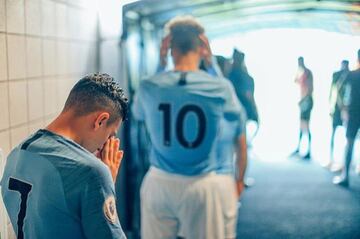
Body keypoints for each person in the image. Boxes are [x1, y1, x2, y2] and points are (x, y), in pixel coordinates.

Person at [132, 16, 242, 239]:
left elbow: (137, 114)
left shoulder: (149, 86)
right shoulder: (219, 87)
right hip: (201, 183)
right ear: (202, 48)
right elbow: (234, 114)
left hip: (160, 180)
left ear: (168, 48)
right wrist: (212, 67)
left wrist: (160, 65)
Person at [1, 73, 128, 239]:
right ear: (100, 121)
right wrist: (106, 182)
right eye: (110, 135)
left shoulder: (16, 155)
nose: (105, 145)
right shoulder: (93, 172)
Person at [333, 50, 360, 187]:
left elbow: (339, 88)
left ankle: (345, 176)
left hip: (353, 113)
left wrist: (343, 106)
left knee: (349, 144)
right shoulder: (352, 74)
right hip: (353, 112)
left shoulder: (352, 74)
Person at [326, 60, 349, 169]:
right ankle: (332, 159)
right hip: (338, 109)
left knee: (348, 137)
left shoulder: (350, 75)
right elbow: (333, 91)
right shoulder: (337, 75)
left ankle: (342, 162)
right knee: (335, 133)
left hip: (346, 110)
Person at [291, 56, 314, 160]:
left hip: (306, 102)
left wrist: (303, 100)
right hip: (304, 101)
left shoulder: (308, 73)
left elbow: (309, 89)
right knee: (302, 126)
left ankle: (308, 150)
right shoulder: (302, 73)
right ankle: (299, 148)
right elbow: (295, 81)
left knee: (306, 126)